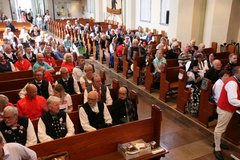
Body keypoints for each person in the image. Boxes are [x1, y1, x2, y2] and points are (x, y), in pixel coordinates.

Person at [213, 66, 240, 160]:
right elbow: (232, 100)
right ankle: (216, 148)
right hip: (225, 109)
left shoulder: (234, 80)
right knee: (220, 129)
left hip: (226, 108)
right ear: (237, 73)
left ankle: (218, 142)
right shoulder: (232, 82)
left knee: (220, 128)